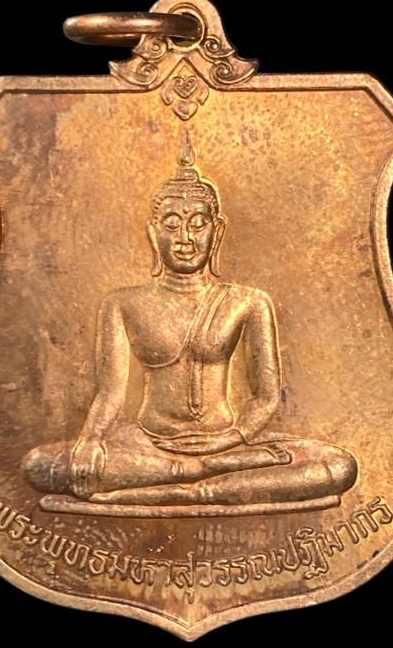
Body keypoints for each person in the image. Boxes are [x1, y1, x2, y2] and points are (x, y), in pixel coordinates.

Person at [23, 131, 357, 507]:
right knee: (38, 466)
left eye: (198, 224)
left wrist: (232, 438)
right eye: (171, 224)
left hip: (228, 444)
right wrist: (91, 439)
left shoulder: (248, 302)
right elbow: (110, 392)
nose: (185, 237)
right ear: (153, 234)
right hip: (148, 444)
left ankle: (187, 483)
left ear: (217, 231)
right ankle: (193, 475)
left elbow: (266, 397)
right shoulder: (123, 303)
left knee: (339, 467)